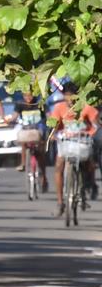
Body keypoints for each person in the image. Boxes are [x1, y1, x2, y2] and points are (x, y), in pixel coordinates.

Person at [49, 82, 98, 217]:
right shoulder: (59, 108)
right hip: (66, 143)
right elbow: (54, 125)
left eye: (72, 96)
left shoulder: (86, 107)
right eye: (67, 96)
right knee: (59, 166)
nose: (70, 99)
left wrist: (92, 133)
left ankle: (90, 184)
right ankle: (60, 202)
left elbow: (96, 124)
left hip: (82, 142)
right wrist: (52, 134)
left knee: (89, 163)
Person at [12, 90, 48, 184]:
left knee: (40, 152)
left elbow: (48, 115)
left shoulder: (40, 103)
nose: (28, 98)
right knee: (23, 141)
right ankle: (23, 163)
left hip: (38, 128)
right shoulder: (20, 104)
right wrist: (9, 120)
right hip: (26, 129)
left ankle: (43, 176)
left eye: (30, 95)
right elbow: (14, 116)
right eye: (25, 95)